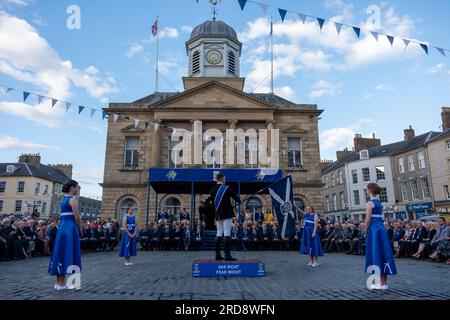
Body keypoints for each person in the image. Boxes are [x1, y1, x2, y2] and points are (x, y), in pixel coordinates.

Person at [48, 180, 82, 291]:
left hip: (62, 228)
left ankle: (59, 283)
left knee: (60, 253)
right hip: (71, 228)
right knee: (72, 253)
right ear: (72, 188)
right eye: (77, 187)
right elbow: (77, 218)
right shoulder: (73, 200)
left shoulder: (64, 200)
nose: (77, 189)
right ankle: (71, 283)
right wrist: (80, 228)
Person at [364, 183, 397, 290]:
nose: (366, 190)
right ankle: (383, 283)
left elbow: (367, 220)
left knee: (376, 253)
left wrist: (365, 229)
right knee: (383, 254)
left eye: (367, 189)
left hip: (374, 230)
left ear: (369, 190)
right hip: (381, 229)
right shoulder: (378, 202)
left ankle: (379, 283)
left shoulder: (370, 203)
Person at [210, 173, 241, 260]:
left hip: (218, 213)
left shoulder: (212, 190)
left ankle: (217, 255)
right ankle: (227, 255)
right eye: (224, 178)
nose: (225, 180)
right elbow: (236, 198)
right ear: (222, 179)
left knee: (219, 233)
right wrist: (239, 200)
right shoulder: (226, 188)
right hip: (227, 213)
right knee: (227, 233)